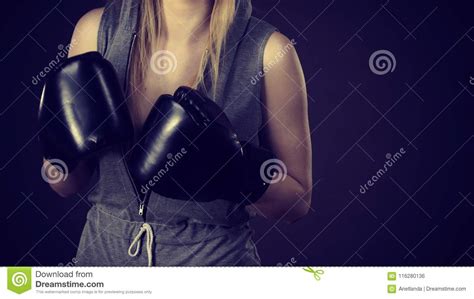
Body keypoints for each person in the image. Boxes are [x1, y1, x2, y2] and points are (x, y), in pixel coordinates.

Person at [39, 0, 312, 266]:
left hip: (213, 269)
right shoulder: (96, 31)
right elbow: (64, 185)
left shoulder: (269, 51)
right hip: (102, 262)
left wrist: (235, 170)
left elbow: (297, 204)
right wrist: (59, 147)